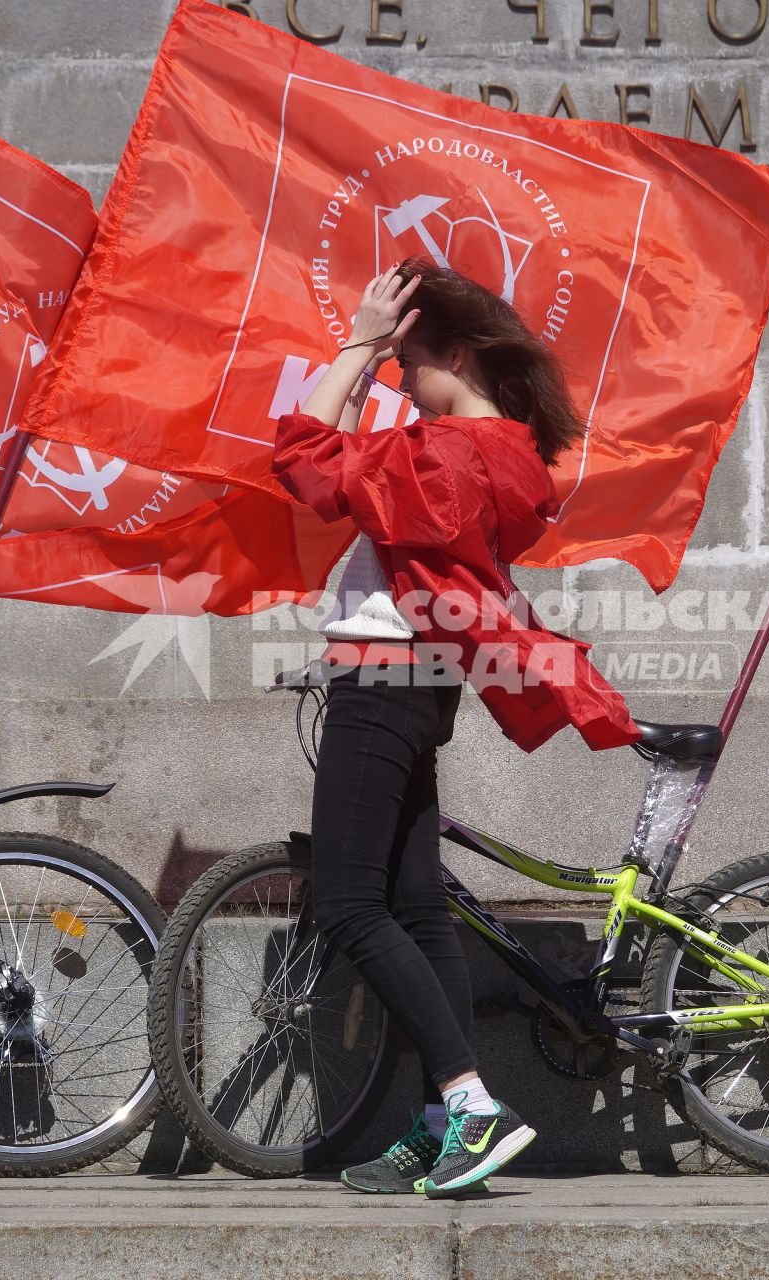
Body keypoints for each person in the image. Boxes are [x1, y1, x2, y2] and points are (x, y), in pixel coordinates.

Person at [272, 260, 639, 1197]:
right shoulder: (483, 452)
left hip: (381, 682)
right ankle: (442, 1123)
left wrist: (355, 339)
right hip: (415, 683)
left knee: (351, 904)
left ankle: (472, 1106)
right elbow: (348, 472)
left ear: (460, 354)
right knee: (415, 904)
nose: (398, 379)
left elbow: (306, 459)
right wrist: (374, 357)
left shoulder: (442, 455)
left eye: (410, 363)